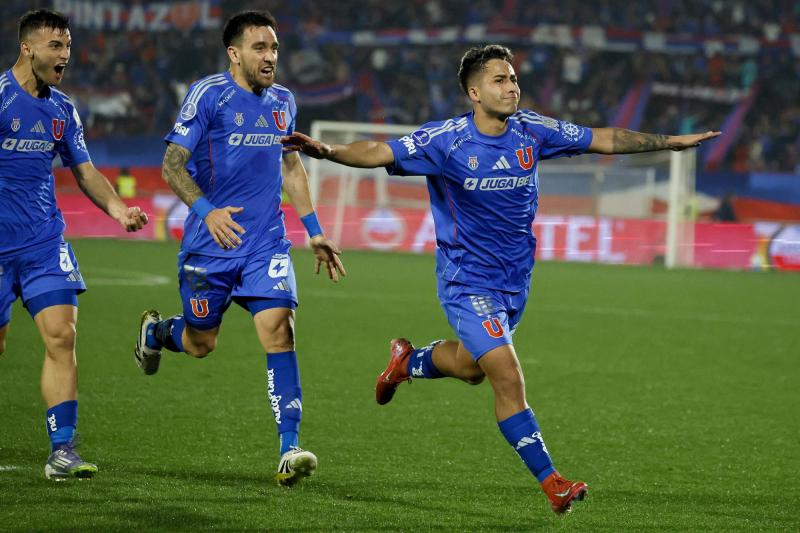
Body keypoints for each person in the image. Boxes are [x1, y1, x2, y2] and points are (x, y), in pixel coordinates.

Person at [282, 44, 720, 513]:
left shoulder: (533, 130)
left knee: (472, 369)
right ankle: (553, 482)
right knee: (507, 377)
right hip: (466, 282)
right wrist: (326, 151)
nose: (511, 87)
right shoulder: (445, 141)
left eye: (513, 78)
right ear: (474, 91)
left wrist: (666, 142)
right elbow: (377, 150)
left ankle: (406, 362)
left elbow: (603, 138)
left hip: (515, 281)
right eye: (499, 79)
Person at [134, 10, 346, 487]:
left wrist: (313, 229)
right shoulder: (209, 95)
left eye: (274, 48)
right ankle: (158, 334)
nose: (270, 57)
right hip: (210, 245)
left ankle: (289, 449)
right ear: (234, 53)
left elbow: (290, 167)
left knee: (280, 331)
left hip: (266, 243)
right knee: (201, 343)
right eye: (259, 48)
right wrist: (207, 210)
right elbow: (171, 165)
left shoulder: (284, 102)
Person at [0, 9, 149, 480]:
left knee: (63, 337)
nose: (65, 55)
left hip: (43, 241)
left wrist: (119, 209)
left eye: (68, 46)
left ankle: (62, 450)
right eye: (55, 46)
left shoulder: (62, 110)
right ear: (28, 48)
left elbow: (84, 171)